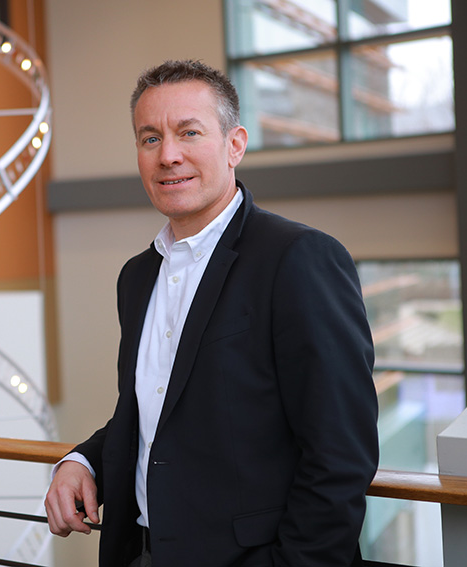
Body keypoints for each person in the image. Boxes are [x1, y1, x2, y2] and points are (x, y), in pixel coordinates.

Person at [44, 60, 379, 567]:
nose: (168, 156)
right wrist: (84, 460)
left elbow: (340, 452)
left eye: (189, 132)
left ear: (235, 144)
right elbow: (155, 411)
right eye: (150, 138)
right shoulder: (137, 276)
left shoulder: (298, 258)